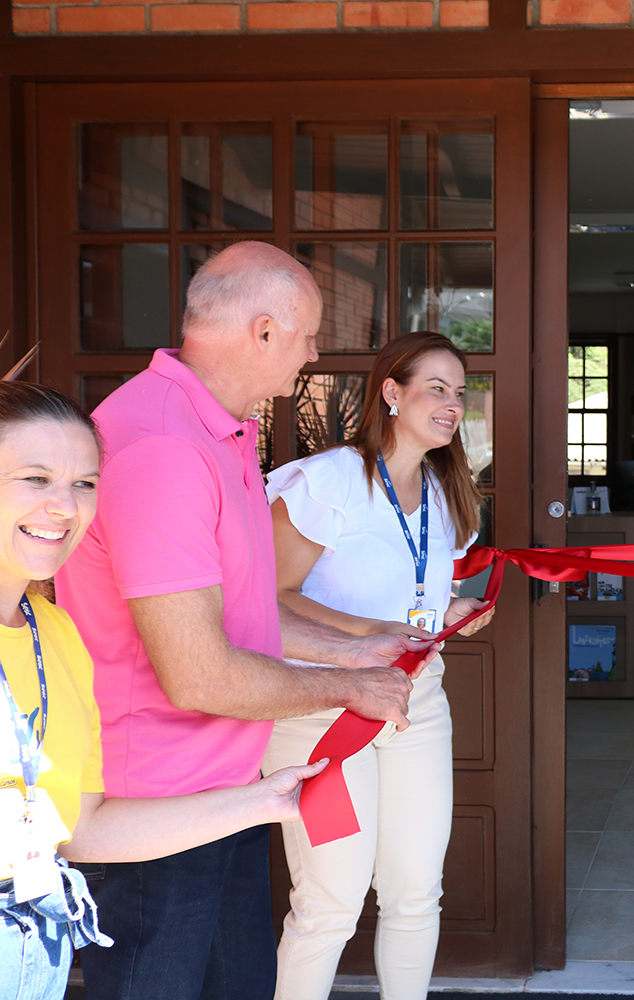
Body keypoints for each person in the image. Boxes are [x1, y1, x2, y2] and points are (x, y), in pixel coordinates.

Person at [54, 241, 437, 1000]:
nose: (315, 353)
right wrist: (346, 688)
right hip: (152, 813)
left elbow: (240, 617)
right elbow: (198, 670)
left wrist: (360, 651)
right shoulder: (163, 445)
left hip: (223, 794)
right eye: (307, 336)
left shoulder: (218, 428)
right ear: (263, 333)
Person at [0, 382, 329, 1000]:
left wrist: (263, 802)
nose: (65, 508)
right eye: (35, 479)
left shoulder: (56, 637)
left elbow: (82, 830)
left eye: (85, 484)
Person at [261, 331, 494, 1000]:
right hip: (322, 710)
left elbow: (420, 597)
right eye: (437, 388)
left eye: (460, 391)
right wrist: (372, 633)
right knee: (332, 900)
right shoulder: (328, 481)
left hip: (416, 704)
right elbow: (269, 597)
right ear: (392, 392)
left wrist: (459, 610)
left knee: (417, 891)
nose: (453, 404)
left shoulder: (449, 492)